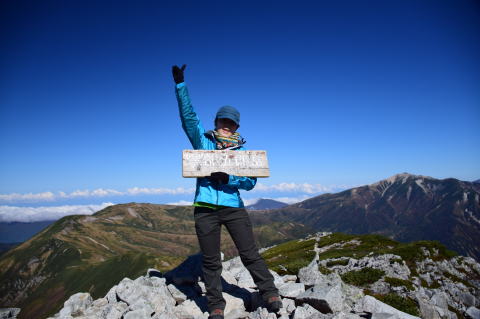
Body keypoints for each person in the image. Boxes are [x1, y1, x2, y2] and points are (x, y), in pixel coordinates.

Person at [172, 64, 282, 319]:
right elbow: (189, 118)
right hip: (205, 208)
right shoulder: (203, 142)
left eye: (231, 123)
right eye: (223, 121)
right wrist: (180, 85)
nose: (226, 126)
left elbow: (250, 183)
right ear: (216, 122)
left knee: (250, 253)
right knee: (210, 261)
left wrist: (229, 178)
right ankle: (216, 305)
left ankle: (270, 292)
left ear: (236, 127)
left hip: (233, 207)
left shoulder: (243, 154)